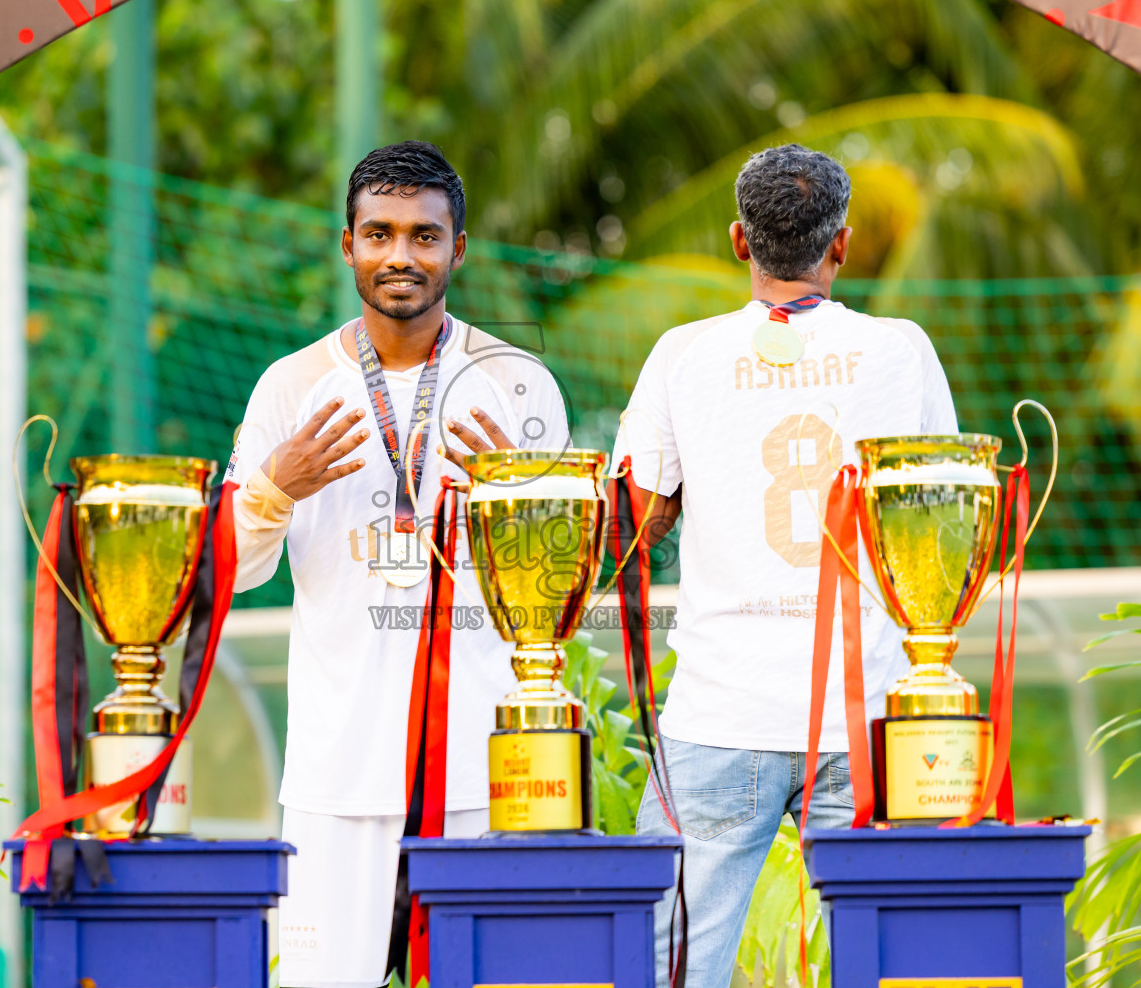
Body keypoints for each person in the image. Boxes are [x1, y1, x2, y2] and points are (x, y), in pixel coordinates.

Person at [612, 144, 958, 988]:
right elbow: (945, 526)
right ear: (841, 245)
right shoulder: (900, 349)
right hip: (870, 710)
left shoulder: (682, 355)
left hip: (718, 712)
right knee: (899, 959)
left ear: (740, 240)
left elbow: (634, 521)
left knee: (667, 959)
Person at [227, 141, 570, 988]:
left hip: (486, 772)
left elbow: (562, 589)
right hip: (335, 775)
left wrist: (512, 508)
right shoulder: (290, 385)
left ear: (459, 248)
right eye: (379, 234)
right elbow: (229, 574)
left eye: (424, 235)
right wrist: (275, 486)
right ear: (347, 245)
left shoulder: (519, 384)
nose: (400, 256)